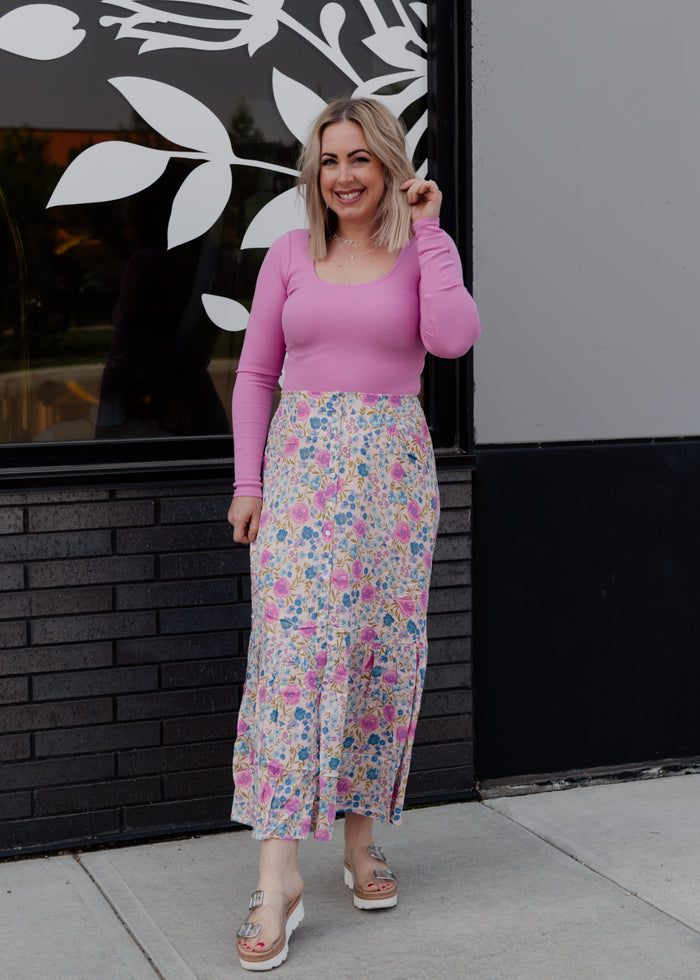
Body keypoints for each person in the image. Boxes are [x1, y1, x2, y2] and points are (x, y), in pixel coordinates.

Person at [227, 96, 481, 971]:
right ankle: (277, 879)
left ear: (389, 167)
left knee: (377, 653)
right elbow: (255, 374)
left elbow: (453, 339)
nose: (343, 176)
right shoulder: (289, 253)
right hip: (301, 474)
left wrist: (433, 235)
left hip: (392, 482)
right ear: (315, 171)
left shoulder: (423, 254)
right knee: (292, 662)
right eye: (329, 159)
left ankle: (361, 843)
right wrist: (249, 483)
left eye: (360, 158)